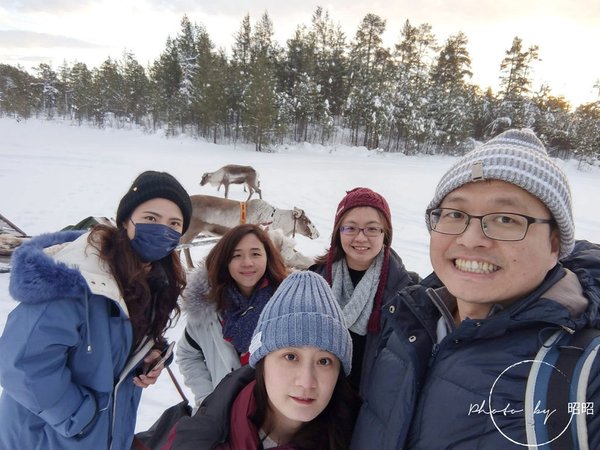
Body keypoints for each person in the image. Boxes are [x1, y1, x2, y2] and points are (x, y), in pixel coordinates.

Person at [350, 129, 600, 449]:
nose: (470, 239)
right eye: (455, 214)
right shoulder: (405, 324)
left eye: (505, 219)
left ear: (555, 244)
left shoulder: (585, 373)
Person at [0, 170, 192, 450]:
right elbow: (22, 363)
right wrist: (80, 417)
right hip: (44, 439)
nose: (163, 229)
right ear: (125, 220)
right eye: (151, 218)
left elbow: (107, 349)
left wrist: (147, 357)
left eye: (174, 223)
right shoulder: (75, 277)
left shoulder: (149, 281)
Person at [167, 270, 362, 450]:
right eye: (291, 356)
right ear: (262, 362)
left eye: (324, 361)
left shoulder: (364, 438)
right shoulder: (194, 439)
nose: (306, 381)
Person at [311, 187, 418, 393]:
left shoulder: (406, 293)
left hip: (371, 404)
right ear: (338, 232)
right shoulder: (316, 281)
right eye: (350, 228)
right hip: (320, 398)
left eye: (371, 229)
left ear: (385, 235)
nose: (361, 238)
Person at [176, 223, 289, 410]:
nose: (247, 263)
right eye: (236, 255)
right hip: (223, 416)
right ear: (224, 261)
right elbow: (188, 354)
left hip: (275, 414)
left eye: (255, 254)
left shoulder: (286, 305)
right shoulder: (208, 307)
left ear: (268, 257)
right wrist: (208, 398)